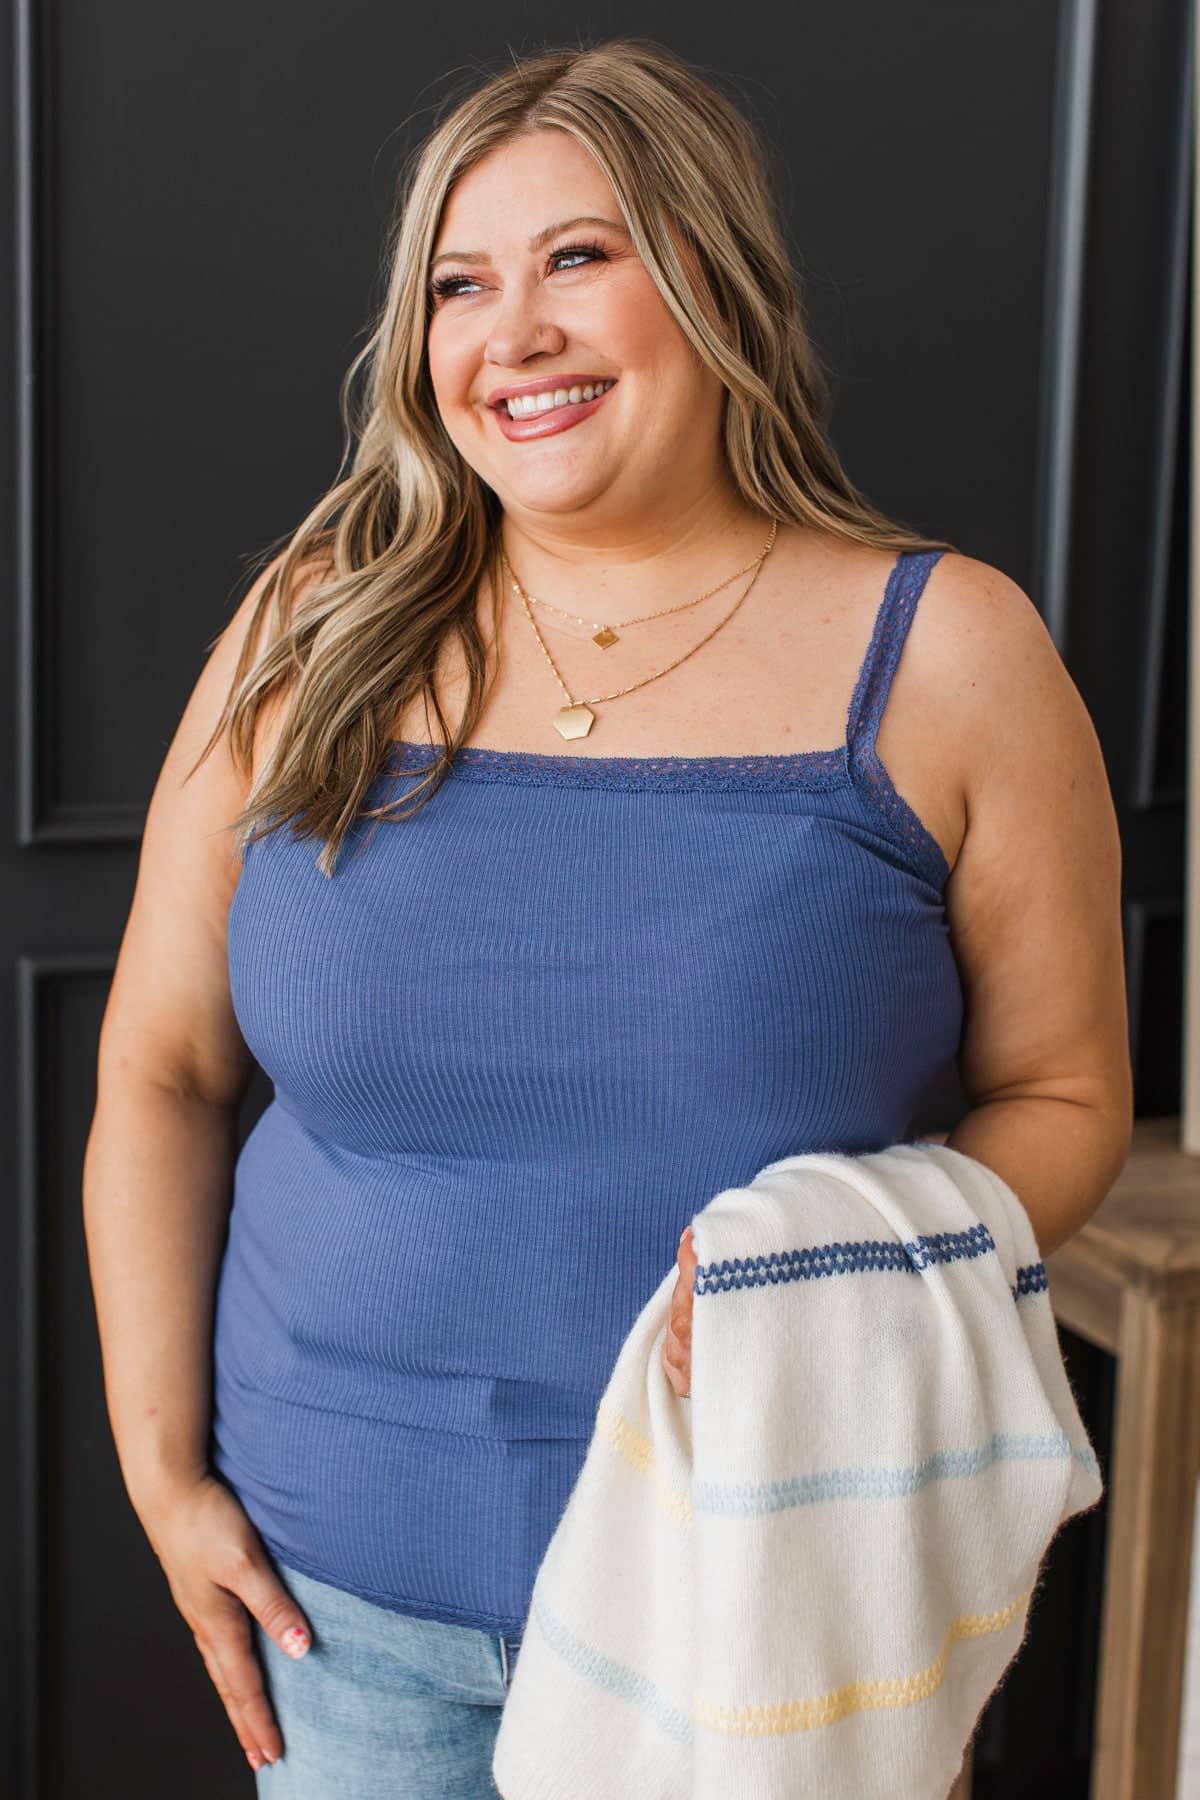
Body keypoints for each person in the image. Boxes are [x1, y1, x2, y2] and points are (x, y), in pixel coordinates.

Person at [82, 33, 1133, 1800]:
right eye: (459, 285)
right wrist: (159, 1473)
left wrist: (842, 1251)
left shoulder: (949, 656)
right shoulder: (311, 631)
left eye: (579, 257)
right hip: (340, 1627)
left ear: (715, 279)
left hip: (767, 1614)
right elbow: (161, 1071)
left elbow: (1069, 1099)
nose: (514, 333)